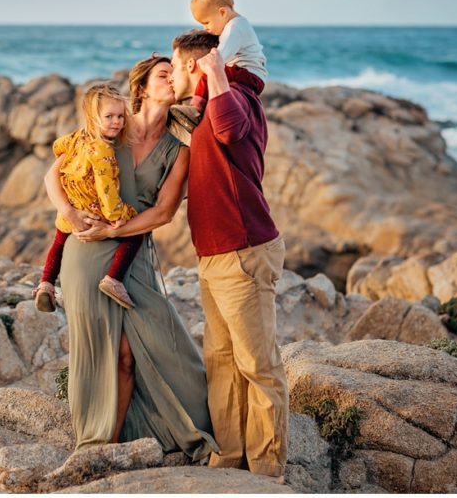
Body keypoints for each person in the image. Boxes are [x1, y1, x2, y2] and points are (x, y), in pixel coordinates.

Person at [47, 55, 218, 460]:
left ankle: (189, 426)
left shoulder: (179, 152)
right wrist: (70, 215)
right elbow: (53, 175)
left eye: (173, 74)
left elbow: (163, 213)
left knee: (160, 345)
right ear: (141, 88)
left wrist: (115, 230)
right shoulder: (109, 127)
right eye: (164, 75)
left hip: (131, 252)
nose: (173, 80)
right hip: (85, 253)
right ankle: (100, 442)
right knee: (99, 351)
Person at [169, 29, 288, 480]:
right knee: (221, 359)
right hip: (214, 254)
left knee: (258, 365)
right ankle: (230, 455)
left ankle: (267, 469)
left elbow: (230, 128)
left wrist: (216, 74)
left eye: (180, 65)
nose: (176, 73)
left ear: (199, 66)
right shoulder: (204, 106)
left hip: (243, 249)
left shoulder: (234, 98)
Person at [33, 83, 142, 312]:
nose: (117, 122)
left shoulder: (76, 137)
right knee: (136, 233)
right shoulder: (103, 150)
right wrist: (119, 215)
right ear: (93, 118)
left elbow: (57, 145)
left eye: (121, 116)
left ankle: (46, 284)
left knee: (59, 241)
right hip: (94, 211)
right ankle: (114, 279)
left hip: (72, 205)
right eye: (109, 116)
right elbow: (106, 191)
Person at [170, 0, 268, 132]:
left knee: (208, 74)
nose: (205, 28)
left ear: (222, 12)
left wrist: (203, 62)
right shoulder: (235, 26)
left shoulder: (235, 27)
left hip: (249, 75)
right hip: (250, 75)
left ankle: (194, 110)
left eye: (207, 22)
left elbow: (219, 57)